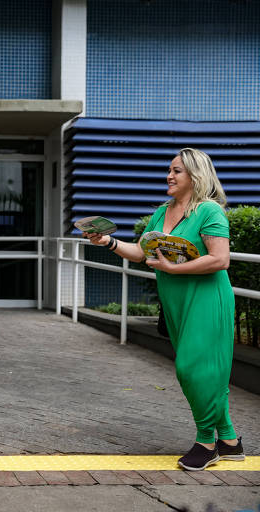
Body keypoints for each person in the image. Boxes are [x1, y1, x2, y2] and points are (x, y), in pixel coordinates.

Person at [85, 148, 243, 471]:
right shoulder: (162, 212)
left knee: (191, 367)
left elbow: (220, 259)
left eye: (177, 171)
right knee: (206, 370)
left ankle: (206, 442)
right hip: (176, 302)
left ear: (195, 176)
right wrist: (109, 243)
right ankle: (229, 440)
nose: (169, 176)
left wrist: (172, 271)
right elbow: (142, 252)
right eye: (169, 170)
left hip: (207, 299)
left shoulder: (210, 212)